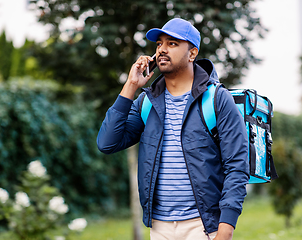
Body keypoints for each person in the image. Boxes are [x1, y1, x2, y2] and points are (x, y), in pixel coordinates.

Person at [97, 18, 249, 240]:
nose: (162, 50)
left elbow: (236, 165)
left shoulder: (216, 99)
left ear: (192, 53)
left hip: (204, 225)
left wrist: (225, 230)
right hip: (159, 227)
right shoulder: (146, 102)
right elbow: (107, 143)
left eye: (172, 44)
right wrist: (130, 86)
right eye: (159, 44)